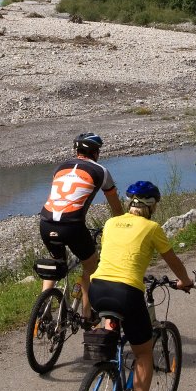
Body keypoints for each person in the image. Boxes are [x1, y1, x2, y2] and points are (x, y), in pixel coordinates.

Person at [88, 180, 194, 391]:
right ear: (152, 206)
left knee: (111, 334)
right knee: (144, 354)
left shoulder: (111, 223)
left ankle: (105, 371)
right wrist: (185, 281)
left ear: (129, 203)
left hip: (98, 289)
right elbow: (173, 260)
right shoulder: (152, 227)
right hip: (127, 293)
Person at [38, 132, 124, 321]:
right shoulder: (101, 171)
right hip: (72, 226)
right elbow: (115, 205)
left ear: (77, 151)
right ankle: (87, 312)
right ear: (95, 153)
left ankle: (43, 306)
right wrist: (121, 224)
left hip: (45, 222)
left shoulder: (60, 168)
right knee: (91, 264)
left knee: (56, 263)